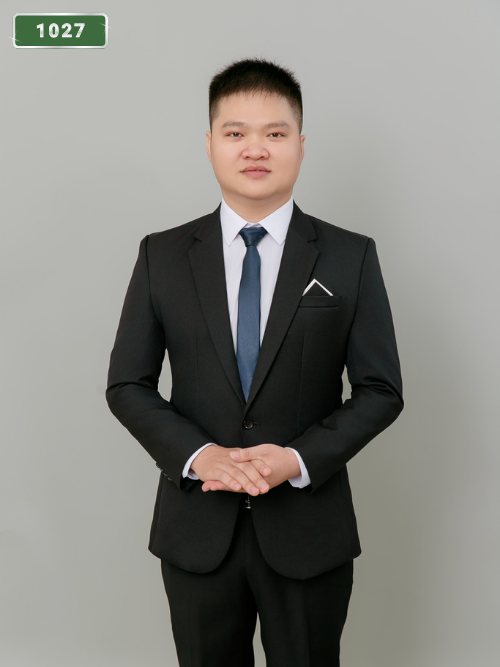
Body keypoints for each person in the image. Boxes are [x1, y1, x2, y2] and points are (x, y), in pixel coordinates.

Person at [106, 57, 404, 667]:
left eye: (275, 132)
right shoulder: (162, 255)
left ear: (300, 145)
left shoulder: (349, 256)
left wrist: (297, 459)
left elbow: (381, 389)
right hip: (197, 529)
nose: (255, 148)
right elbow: (127, 383)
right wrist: (200, 455)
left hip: (308, 529)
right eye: (236, 132)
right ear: (210, 144)